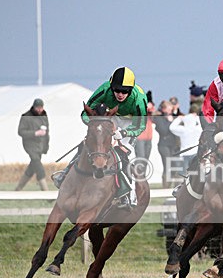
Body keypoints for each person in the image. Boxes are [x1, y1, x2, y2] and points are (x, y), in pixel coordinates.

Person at [52, 67, 148, 208]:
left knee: (123, 154)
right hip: (109, 119)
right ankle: (64, 174)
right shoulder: (104, 89)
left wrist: (125, 133)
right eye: (117, 90)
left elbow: (141, 126)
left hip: (130, 124)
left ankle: (129, 195)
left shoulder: (139, 99)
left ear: (131, 90)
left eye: (125, 91)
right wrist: (94, 124)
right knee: (89, 145)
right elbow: (85, 113)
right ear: (111, 86)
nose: (120, 94)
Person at [15, 98, 50, 191]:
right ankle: (45, 191)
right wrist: (35, 133)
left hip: (40, 145)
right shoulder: (26, 116)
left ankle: (18, 189)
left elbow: (47, 132)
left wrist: (46, 146)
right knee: (38, 166)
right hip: (29, 145)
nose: (39, 110)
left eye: (41, 108)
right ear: (34, 107)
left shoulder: (44, 116)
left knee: (32, 167)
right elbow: (20, 131)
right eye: (38, 108)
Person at [169, 103, 203, 172]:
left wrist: (179, 119)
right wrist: (197, 117)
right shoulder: (198, 129)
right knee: (195, 175)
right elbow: (202, 125)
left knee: (184, 176)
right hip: (195, 153)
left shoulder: (183, 129)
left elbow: (171, 127)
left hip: (184, 154)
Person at [154, 100, 179, 186]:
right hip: (164, 145)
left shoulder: (174, 117)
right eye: (168, 109)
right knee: (167, 163)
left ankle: (176, 183)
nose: (170, 111)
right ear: (164, 109)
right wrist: (170, 122)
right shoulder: (159, 118)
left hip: (174, 144)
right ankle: (166, 184)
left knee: (175, 164)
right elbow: (163, 131)